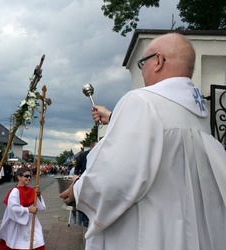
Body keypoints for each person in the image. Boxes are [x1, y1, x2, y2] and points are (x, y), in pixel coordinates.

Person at [60, 33, 226, 249]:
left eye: (142, 63)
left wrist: (78, 190)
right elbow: (165, 134)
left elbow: (115, 178)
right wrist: (113, 117)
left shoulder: (140, 100)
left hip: (150, 235)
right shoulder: (199, 115)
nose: (141, 70)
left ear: (158, 61)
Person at [0, 167, 46, 250]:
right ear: (19, 177)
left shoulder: (32, 190)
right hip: (17, 221)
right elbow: (13, 208)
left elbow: (40, 207)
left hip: (30, 220)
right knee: (18, 242)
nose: (29, 178)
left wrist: (38, 195)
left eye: (30, 176)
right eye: (26, 176)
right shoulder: (15, 191)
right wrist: (28, 210)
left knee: (37, 240)